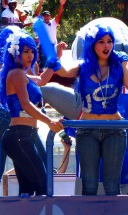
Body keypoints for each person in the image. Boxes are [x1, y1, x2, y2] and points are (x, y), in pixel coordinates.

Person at [46, 24, 128, 195]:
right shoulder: (83, 65)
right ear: (92, 44)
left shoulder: (119, 63)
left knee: (112, 185)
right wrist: (54, 57)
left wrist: (125, 62)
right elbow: (65, 71)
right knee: (89, 184)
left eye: (110, 41)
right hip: (88, 129)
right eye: (101, 42)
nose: (107, 46)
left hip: (114, 129)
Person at [0, 30, 64, 196]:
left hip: (25, 135)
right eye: (25, 51)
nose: (30, 55)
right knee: (43, 187)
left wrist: (56, 57)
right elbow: (26, 104)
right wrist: (49, 121)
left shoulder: (22, 74)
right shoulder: (17, 74)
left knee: (28, 190)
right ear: (15, 52)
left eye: (32, 51)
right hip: (20, 135)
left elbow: (42, 80)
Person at [0, 26, 44, 195]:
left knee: (33, 165)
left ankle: (24, 200)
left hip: (28, 120)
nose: (29, 54)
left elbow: (39, 83)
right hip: (7, 115)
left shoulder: (32, 65)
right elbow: (18, 93)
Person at [39, 0, 67, 72]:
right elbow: (35, 16)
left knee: (55, 62)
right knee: (44, 65)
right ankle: (44, 80)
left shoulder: (53, 22)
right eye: (44, 16)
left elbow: (59, 14)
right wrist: (40, 4)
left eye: (47, 16)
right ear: (42, 17)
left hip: (53, 45)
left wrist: (61, 5)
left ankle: (56, 77)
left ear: (50, 16)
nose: (46, 17)